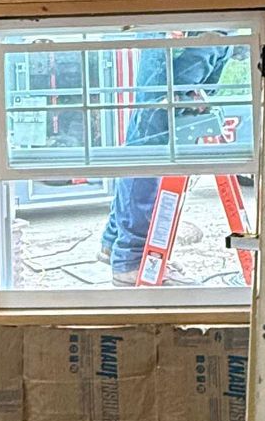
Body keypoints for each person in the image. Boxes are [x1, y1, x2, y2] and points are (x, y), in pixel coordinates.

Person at [99, 41, 232, 285]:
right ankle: (132, 260)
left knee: (147, 137)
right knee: (149, 148)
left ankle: (116, 244)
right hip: (182, 31)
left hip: (204, 31)